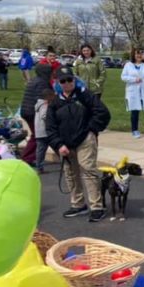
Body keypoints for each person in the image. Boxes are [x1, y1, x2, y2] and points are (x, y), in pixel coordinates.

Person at [45, 66, 111, 222]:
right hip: (66, 144)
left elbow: (102, 113)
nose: (67, 83)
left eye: (70, 80)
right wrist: (58, 145)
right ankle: (78, 204)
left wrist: (92, 130)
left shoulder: (84, 96)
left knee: (88, 171)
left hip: (85, 139)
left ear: (74, 80)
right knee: (71, 174)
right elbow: (50, 128)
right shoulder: (55, 103)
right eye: (63, 81)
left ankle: (96, 207)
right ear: (58, 83)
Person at [19, 64, 53, 166]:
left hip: (26, 111)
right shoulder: (42, 83)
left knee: (36, 135)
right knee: (38, 136)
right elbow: (41, 100)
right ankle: (27, 158)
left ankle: (28, 157)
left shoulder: (35, 80)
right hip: (33, 112)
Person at [122, 49, 144, 138]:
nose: (139, 56)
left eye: (141, 54)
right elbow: (123, 77)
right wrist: (134, 80)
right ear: (133, 55)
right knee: (135, 111)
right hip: (133, 91)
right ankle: (135, 130)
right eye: (137, 54)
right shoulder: (128, 65)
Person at [33, 88, 55, 173]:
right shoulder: (44, 105)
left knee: (40, 151)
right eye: (53, 96)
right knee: (57, 146)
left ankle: (39, 167)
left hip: (39, 132)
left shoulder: (38, 104)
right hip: (45, 131)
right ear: (48, 96)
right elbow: (44, 116)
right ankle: (39, 167)